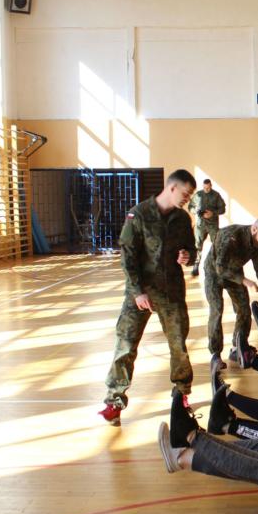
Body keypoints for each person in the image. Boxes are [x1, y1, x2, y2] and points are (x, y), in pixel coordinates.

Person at [100, 168, 197, 426]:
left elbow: (191, 249)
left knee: (178, 346)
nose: (187, 199)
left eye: (190, 196)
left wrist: (187, 256)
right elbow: (128, 257)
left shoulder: (182, 219)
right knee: (125, 344)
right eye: (186, 194)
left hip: (172, 292)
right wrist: (137, 292)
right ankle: (114, 401)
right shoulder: (139, 214)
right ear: (172, 188)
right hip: (140, 292)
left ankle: (181, 394)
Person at [203, 217, 258, 375]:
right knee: (217, 310)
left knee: (244, 309)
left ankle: (238, 347)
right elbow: (220, 268)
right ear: (254, 229)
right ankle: (215, 355)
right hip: (214, 273)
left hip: (234, 273)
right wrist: (245, 281)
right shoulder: (231, 236)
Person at [188, 178, 226, 276]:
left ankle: (217, 266)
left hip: (213, 225)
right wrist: (196, 211)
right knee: (198, 245)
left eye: (208, 188)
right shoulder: (198, 195)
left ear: (211, 186)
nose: (206, 190)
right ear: (203, 186)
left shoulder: (216, 195)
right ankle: (196, 265)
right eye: (205, 188)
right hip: (200, 225)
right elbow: (190, 207)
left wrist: (213, 213)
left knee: (216, 245)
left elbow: (223, 209)